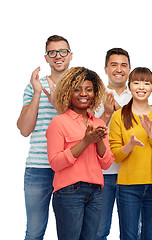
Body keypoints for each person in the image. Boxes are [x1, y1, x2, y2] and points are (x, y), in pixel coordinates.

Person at [46, 67, 114, 240]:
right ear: (68, 92)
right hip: (69, 192)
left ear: (95, 92)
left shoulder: (99, 123)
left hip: (96, 192)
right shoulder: (58, 122)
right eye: (77, 89)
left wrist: (97, 139)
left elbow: (106, 163)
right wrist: (85, 142)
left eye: (89, 89)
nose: (83, 94)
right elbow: (55, 163)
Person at [17, 35, 72, 240]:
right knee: (34, 232)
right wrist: (39, 93)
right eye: (52, 52)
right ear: (46, 57)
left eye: (62, 51)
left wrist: (58, 100)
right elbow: (24, 129)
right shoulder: (33, 87)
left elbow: (79, 124)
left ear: (70, 55)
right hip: (38, 167)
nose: (58, 56)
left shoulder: (80, 87)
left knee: (69, 233)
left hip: (69, 167)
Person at [109, 67, 152, 240]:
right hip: (128, 186)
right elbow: (116, 155)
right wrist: (130, 144)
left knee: (150, 236)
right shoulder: (119, 116)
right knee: (129, 236)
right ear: (130, 86)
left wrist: (150, 134)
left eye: (146, 83)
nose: (141, 87)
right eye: (137, 82)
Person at [95, 48, 132, 240]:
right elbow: (88, 132)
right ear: (106, 68)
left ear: (129, 69)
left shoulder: (137, 94)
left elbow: (136, 133)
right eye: (114, 65)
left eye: (123, 65)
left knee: (132, 232)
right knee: (100, 230)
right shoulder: (94, 95)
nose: (119, 69)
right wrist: (107, 114)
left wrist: (116, 111)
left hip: (130, 174)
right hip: (103, 174)